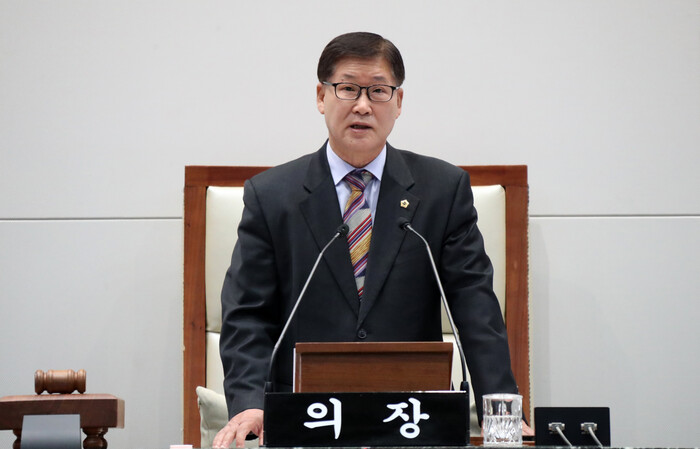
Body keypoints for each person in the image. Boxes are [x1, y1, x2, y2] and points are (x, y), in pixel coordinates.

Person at [213, 31, 531, 448]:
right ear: (321, 97)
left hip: (412, 419)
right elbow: (248, 314)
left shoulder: (442, 190)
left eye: (378, 91)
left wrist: (501, 411)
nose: (362, 105)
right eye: (347, 88)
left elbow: (475, 307)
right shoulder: (272, 196)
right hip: (305, 420)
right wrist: (251, 404)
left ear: (398, 102)